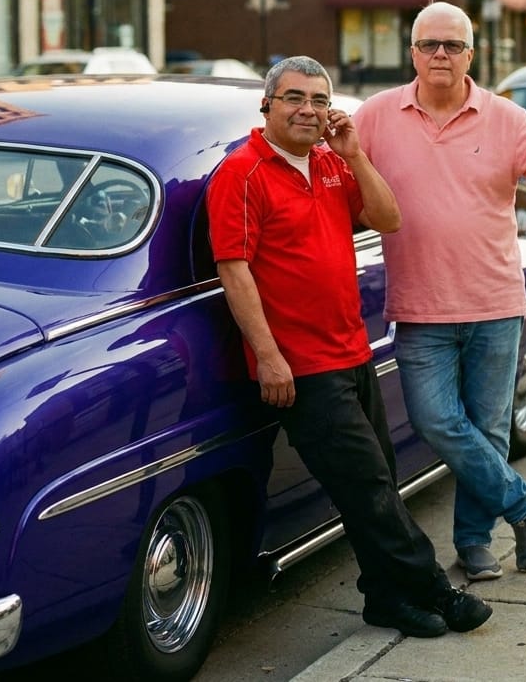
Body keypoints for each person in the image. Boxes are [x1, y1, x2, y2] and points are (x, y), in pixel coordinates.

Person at [206, 54, 492, 639]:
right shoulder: (242, 174)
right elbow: (235, 270)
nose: (307, 110)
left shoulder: (334, 165)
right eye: (293, 98)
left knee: (377, 482)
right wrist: (267, 356)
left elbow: (388, 218)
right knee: (366, 486)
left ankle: (385, 600)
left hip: (352, 351)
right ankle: (435, 589)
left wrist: (355, 153)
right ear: (267, 105)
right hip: (302, 368)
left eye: (318, 99)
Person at [353, 2, 526, 582]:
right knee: (436, 420)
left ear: (472, 54)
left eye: (453, 46)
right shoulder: (375, 116)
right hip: (419, 308)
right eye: (429, 44)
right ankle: (524, 502)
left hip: (494, 303)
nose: (441, 54)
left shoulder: (505, 118)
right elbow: (335, 177)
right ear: (412, 52)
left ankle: (473, 544)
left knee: (488, 429)